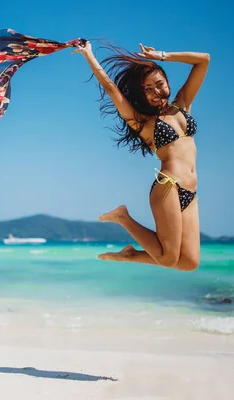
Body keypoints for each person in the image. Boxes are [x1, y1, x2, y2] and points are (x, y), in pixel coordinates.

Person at [72, 41, 210, 271]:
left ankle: (130, 255)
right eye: (148, 89)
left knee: (189, 262)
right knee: (167, 258)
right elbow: (111, 90)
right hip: (169, 185)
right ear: (140, 94)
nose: (156, 92)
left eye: (159, 84)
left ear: (167, 81)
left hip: (191, 191)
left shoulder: (182, 104)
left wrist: (162, 55)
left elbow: (203, 60)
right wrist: (89, 55)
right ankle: (123, 217)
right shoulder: (143, 123)